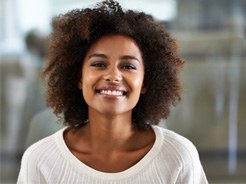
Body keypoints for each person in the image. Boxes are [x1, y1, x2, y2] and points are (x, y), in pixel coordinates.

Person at [17, 0, 208, 183]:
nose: (113, 76)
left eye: (128, 66)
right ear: (79, 78)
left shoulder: (179, 157)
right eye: (99, 64)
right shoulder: (41, 160)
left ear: (146, 82)